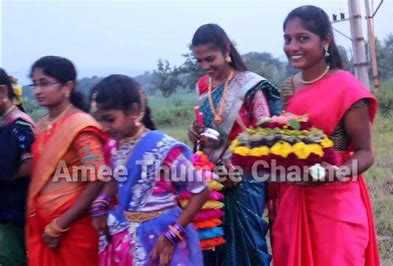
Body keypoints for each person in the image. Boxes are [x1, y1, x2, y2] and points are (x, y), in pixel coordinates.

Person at [270, 6, 380, 266]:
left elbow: (366, 153)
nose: (292, 46)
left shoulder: (347, 88)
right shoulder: (287, 88)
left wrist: (336, 173)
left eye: (303, 38)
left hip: (336, 201)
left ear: (326, 41)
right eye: (288, 39)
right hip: (293, 199)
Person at [90, 74, 210, 266]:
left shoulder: (163, 149)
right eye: (99, 120)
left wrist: (174, 233)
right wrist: (102, 201)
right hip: (124, 237)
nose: (104, 127)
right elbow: (115, 178)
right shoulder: (114, 145)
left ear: (135, 111)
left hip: (160, 236)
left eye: (110, 119)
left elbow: (201, 191)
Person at [188, 23, 280, 266]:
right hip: (213, 178)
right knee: (214, 244)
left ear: (226, 49)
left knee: (247, 246)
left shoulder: (250, 85)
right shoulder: (202, 86)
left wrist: (237, 166)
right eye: (200, 61)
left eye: (210, 58)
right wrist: (197, 135)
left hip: (246, 179)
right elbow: (212, 133)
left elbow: (266, 135)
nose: (206, 66)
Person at [26, 56, 109, 266]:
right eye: (35, 84)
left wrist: (60, 225)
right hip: (42, 223)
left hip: (72, 227)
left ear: (68, 86)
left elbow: (98, 178)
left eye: (44, 83)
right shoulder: (42, 123)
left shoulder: (81, 127)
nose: (37, 91)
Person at [0, 68, 34, 265]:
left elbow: (30, 164)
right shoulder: (10, 124)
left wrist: (9, 176)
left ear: (3, 92)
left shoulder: (19, 126)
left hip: (12, 214)